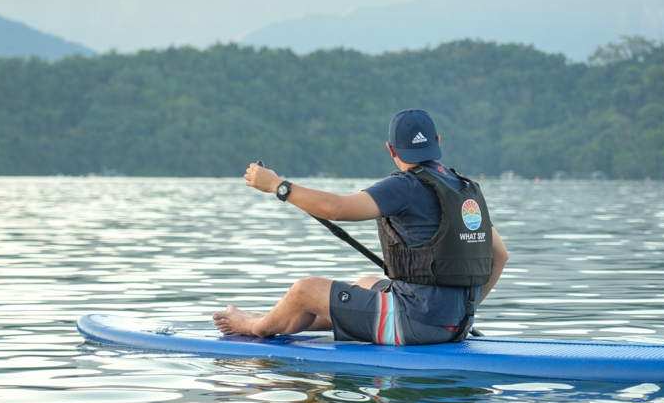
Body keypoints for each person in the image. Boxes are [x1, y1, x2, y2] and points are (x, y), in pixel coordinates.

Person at [213, 108, 509, 345]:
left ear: (391, 149)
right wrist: (459, 314)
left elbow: (337, 209)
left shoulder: (404, 186)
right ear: (438, 142)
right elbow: (501, 256)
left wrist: (278, 186)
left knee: (305, 290)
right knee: (365, 284)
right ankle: (274, 317)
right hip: (457, 325)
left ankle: (255, 326)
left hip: (416, 327)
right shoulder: (462, 188)